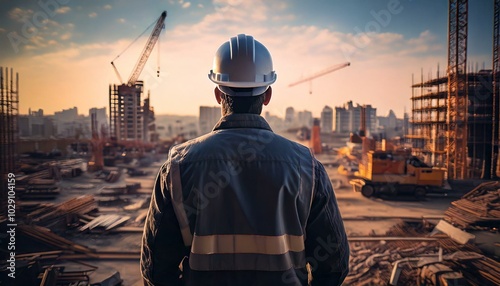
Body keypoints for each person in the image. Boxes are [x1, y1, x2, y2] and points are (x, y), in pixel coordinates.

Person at [141, 34, 349, 286]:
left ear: (218, 94)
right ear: (268, 94)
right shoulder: (307, 167)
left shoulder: (178, 167)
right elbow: (334, 265)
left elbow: (156, 269)